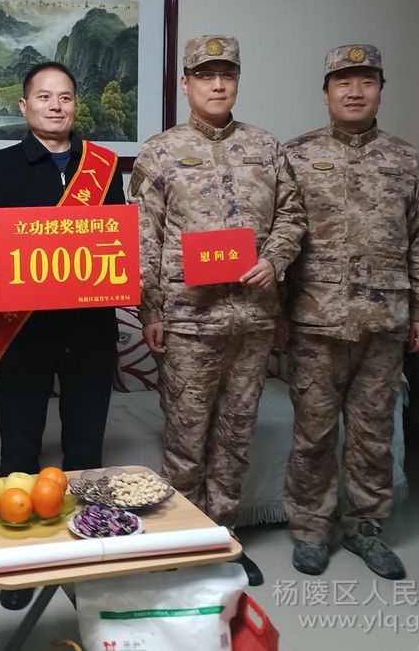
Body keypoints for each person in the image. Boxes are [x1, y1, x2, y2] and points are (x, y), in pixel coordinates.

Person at [129, 34, 306, 587]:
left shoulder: (267, 147)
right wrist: (150, 311)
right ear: (186, 84)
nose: (217, 84)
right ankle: (182, 546)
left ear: (237, 81)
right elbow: (145, 238)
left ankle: (224, 539)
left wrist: (275, 259)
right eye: (205, 75)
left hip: (252, 319)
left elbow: (293, 217)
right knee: (185, 442)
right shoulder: (160, 151)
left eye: (226, 74)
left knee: (235, 438)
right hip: (188, 321)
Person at [281, 44, 419, 580]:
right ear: (326, 92)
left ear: (380, 90)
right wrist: (278, 314)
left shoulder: (406, 159)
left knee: (375, 435)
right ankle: (310, 529)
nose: (355, 92)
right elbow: (279, 239)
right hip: (315, 320)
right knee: (313, 434)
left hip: (385, 321)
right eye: (343, 82)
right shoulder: (296, 155)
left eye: (367, 82)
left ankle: (365, 529)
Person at [0, 61, 125, 609]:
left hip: (90, 329)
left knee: (85, 446)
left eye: (65, 97)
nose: (56, 106)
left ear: (75, 105)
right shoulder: (0, 166)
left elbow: (115, 235)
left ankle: (85, 559)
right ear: (24, 105)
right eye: (44, 97)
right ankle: (22, 565)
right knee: (20, 445)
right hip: (25, 332)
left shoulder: (103, 166)